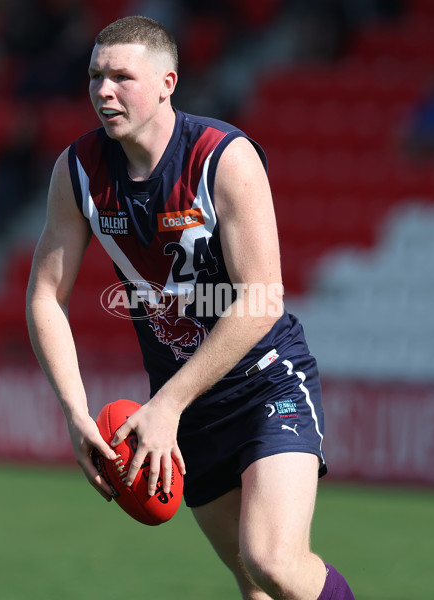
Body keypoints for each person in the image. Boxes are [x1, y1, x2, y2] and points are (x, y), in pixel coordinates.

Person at [26, 15, 355, 600]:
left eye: (122, 77)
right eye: (95, 76)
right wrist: (75, 414)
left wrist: (166, 404)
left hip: (264, 383)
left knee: (273, 561)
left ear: (166, 83)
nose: (103, 90)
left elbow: (262, 298)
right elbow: (46, 297)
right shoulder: (77, 170)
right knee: (251, 586)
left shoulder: (222, 157)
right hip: (185, 414)